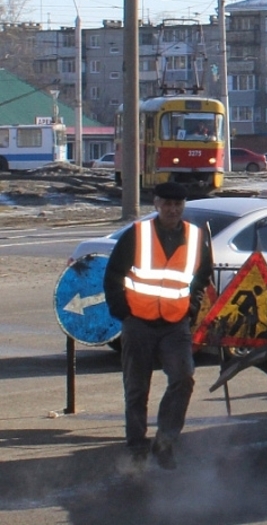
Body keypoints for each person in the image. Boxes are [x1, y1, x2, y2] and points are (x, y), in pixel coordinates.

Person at [104, 181, 213, 470]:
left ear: (183, 206)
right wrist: (123, 312)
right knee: (137, 387)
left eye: (177, 205)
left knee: (183, 378)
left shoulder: (195, 237)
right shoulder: (137, 235)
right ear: (156, 204)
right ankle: (137, 445)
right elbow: (113, 274)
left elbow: (203, 275)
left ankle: (165, 442)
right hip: (138, 322)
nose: (172, 209)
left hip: (175, 324)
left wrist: (191, 307)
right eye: (167, 204)